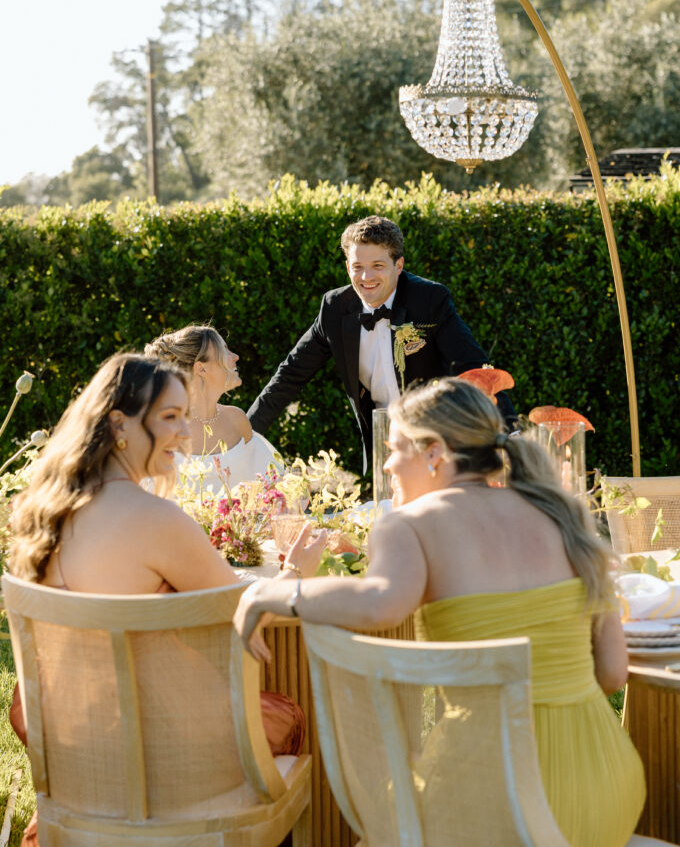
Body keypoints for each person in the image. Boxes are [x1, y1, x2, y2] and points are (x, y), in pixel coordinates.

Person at [235, 377, 646, 847]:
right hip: (605, 790)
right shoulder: (563, 515)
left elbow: (379, 603)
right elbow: (613, 674)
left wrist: (277, 591)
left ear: (433, 452)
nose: (387, 464)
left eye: (394, 449)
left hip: (493, 802)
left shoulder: (411, 526)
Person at [8, 353, 324, 847]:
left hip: (79, 768)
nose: (185, 434)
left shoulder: (39, 514)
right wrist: (292, 573)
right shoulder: (158, 520)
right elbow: (248, 622)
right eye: (171, 418)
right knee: (283, 720)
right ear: (119, 425)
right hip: (162, 769)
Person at [248, 215, 516, 469]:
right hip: (383, 444)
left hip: (439, 439)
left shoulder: (429, 300)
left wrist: (511, 437)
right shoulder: (335, 308)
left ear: (398, 266)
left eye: (377, 266)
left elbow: (475, 370)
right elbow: (291, 374)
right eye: (357, 267)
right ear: (347, 267)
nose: (366, 278)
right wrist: (244, 437)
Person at [145, 324, 280, 488]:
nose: (235, 356)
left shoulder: (237, 420)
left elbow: (273, 486)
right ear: (201, 368)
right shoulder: (161, 427)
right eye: (225, 351)